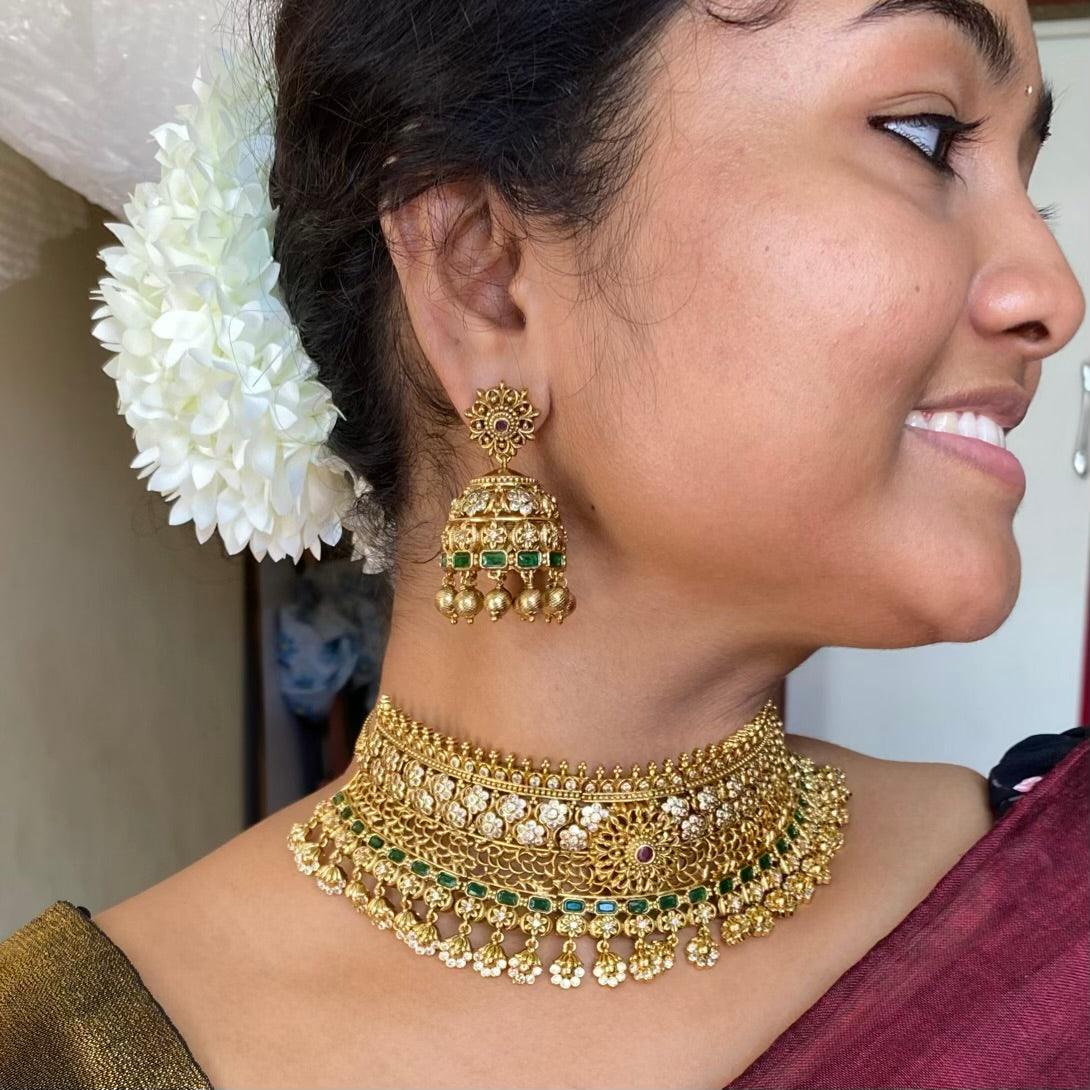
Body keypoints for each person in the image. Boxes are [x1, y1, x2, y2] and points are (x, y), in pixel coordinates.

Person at [1, 0, 1087, 1087]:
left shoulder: (1051, 898)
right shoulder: (62, 1051)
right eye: (924, 134)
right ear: (486, 275)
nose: (1054, 293)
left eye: (1025, 176)